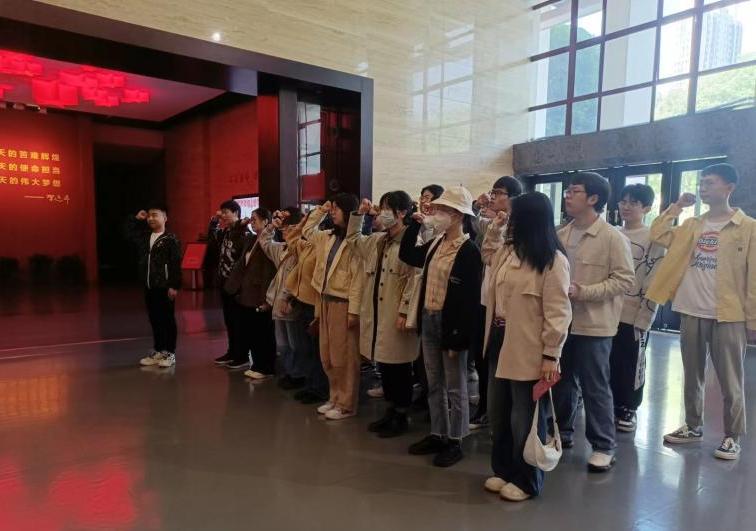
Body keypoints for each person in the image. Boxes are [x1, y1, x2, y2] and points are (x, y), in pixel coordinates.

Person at [647, 163, 756, 460]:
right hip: (691, 308)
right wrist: (676, 207)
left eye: (710, 183)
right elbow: (657, 233)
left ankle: (732, 436)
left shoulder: (748, 228)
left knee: (730, 378)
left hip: (728, 314)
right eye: (702, 183)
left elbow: (753, 278)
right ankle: (693, 426)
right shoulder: (692, 224)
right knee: (692, 373)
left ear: (729, 187)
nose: (703, 188)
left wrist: (752, 320)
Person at [481, 192, 571, 501]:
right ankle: (503, 469)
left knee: (525, 416)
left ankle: (527, 479)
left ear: (529, 220)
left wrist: (551, 355)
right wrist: (495, 227)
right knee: (498, 411)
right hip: (498, 338)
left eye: (514, 216)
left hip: (530, 348)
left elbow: (559, 312)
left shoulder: (553, 261)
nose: (510, 222)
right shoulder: (507, 252)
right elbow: (486, 254)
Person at [553, 172, 634, 472]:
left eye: (574, 191)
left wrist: (585, 292)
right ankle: (561, 433)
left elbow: (624, 280)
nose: (567, 195)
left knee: (595, 385)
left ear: (593, 198)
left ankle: (603, 445)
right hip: (562, 322)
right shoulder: (561, 234)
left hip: (595, 324)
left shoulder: (613, 237)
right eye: (567, 191)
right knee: (560, 381)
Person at [399, 185, 482, 467]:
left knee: (456, 386)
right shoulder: (436, 243)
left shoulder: (469, 251)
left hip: (451, 325)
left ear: (458, 215)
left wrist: (459, 338)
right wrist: (414, 224)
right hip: (429, 318)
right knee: (433, 382)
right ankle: (438, 433)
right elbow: (409, 255)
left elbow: (470, 301)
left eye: (444, 210)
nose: (437, 213)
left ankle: (456, 439)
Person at [348, 192, 420, 438]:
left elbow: (414, 279)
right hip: (377, 313)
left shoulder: (411, 242)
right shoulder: (378, 241)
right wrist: (359, 215)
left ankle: (401, 414)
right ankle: (391, 410)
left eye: (387, 209)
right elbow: (353, 240)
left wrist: (405, 311)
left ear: (402, 213)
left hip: (395, 315)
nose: (382, 214)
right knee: (385, 366)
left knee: (400, 367)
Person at [302, 193, 364, 421]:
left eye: (337, 208)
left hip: (343, 302)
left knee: (344, 357)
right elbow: (307, 231)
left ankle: (346, 404)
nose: (333, 212)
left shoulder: (356, 241)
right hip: (325, 300)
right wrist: (320, 210)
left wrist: (354, 311)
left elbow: (358, 278)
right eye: (332, 208)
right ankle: (334, 397)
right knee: (327, 354)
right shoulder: (327, 236)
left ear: (348, 211)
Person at [609, 184, 665, 433]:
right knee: (609, 360)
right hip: (609, 310)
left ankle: (629, 407)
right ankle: (611, 403)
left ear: (647, 208)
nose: (626, 206)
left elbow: (655, 280)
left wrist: (646, 315)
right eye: (623, 201)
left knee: (632, 362)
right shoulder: (613, 233)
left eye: (633, 202)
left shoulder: (654, 237)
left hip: (635, 312)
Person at [470, 176, 523, 431]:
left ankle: (497, 412)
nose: (493, 197)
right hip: (486, 300)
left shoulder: (519, 227)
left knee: (501, 363)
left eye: (499, 192)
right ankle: (487, 406)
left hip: (507, 308)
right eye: (492, 192)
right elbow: (476, 230)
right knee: (484, 358)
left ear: (513, 197)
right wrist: (476, 206)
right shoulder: (493, 222)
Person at [258, 207, 309, 390]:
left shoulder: (303, 250)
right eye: (284, 229)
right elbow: (264, 241)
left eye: (290, 228)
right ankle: (290, 372)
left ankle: (299, 375)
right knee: (283, 344)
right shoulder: (281, 249)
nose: (286, 232)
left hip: (292, 303)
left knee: (296, 343)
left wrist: (292, 300)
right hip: (277, 302)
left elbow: (304, 279)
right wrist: (272, 226)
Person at [126, 205, 182, 368]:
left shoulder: (171, 239)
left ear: (165, 218)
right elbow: (128, 233)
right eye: (149, 215)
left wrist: (174, 285)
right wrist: (135, 219)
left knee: (167, 320)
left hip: (164, 286)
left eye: (155, 215)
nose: (151, 218)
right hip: (149, 286)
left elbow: (175, 264)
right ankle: (158, 350)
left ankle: (170, 353)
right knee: (155, 319)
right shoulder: (145, 237)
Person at [223, 208, 277, 376]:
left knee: (263, 332)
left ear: (266, 221)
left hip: (259, 293)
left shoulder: (271, 243)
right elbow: (234, 238)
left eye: (255, 219)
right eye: (251, 219)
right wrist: (241, 224)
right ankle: (256, 364)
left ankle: (266, 367)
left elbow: (268, 272)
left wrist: (266, 299)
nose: (252, 222)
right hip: (245, 292)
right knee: (250, 331)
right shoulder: (251, 239)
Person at [285, 211, 329, 405]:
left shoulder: (323, 246)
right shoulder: (308, 246)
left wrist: (317, 215)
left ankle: (319, 388)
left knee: (316, 350)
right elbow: (291, 239)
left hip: (315, 305)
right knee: (306, 348)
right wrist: (303, 222)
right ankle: (310, 385)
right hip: (302, 302)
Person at [207, 200, 252, 366]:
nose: (223, 215)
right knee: (229, 321)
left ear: (236, 213)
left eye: (226, 212)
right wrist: (214, 222)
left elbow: (244, 262)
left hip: (237, 285)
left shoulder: (243, 233)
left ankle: (242, 356)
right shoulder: (226, 232)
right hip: (224, 283)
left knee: (239, 322)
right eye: (222, 212)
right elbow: (212, 241)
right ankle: (232, 351)